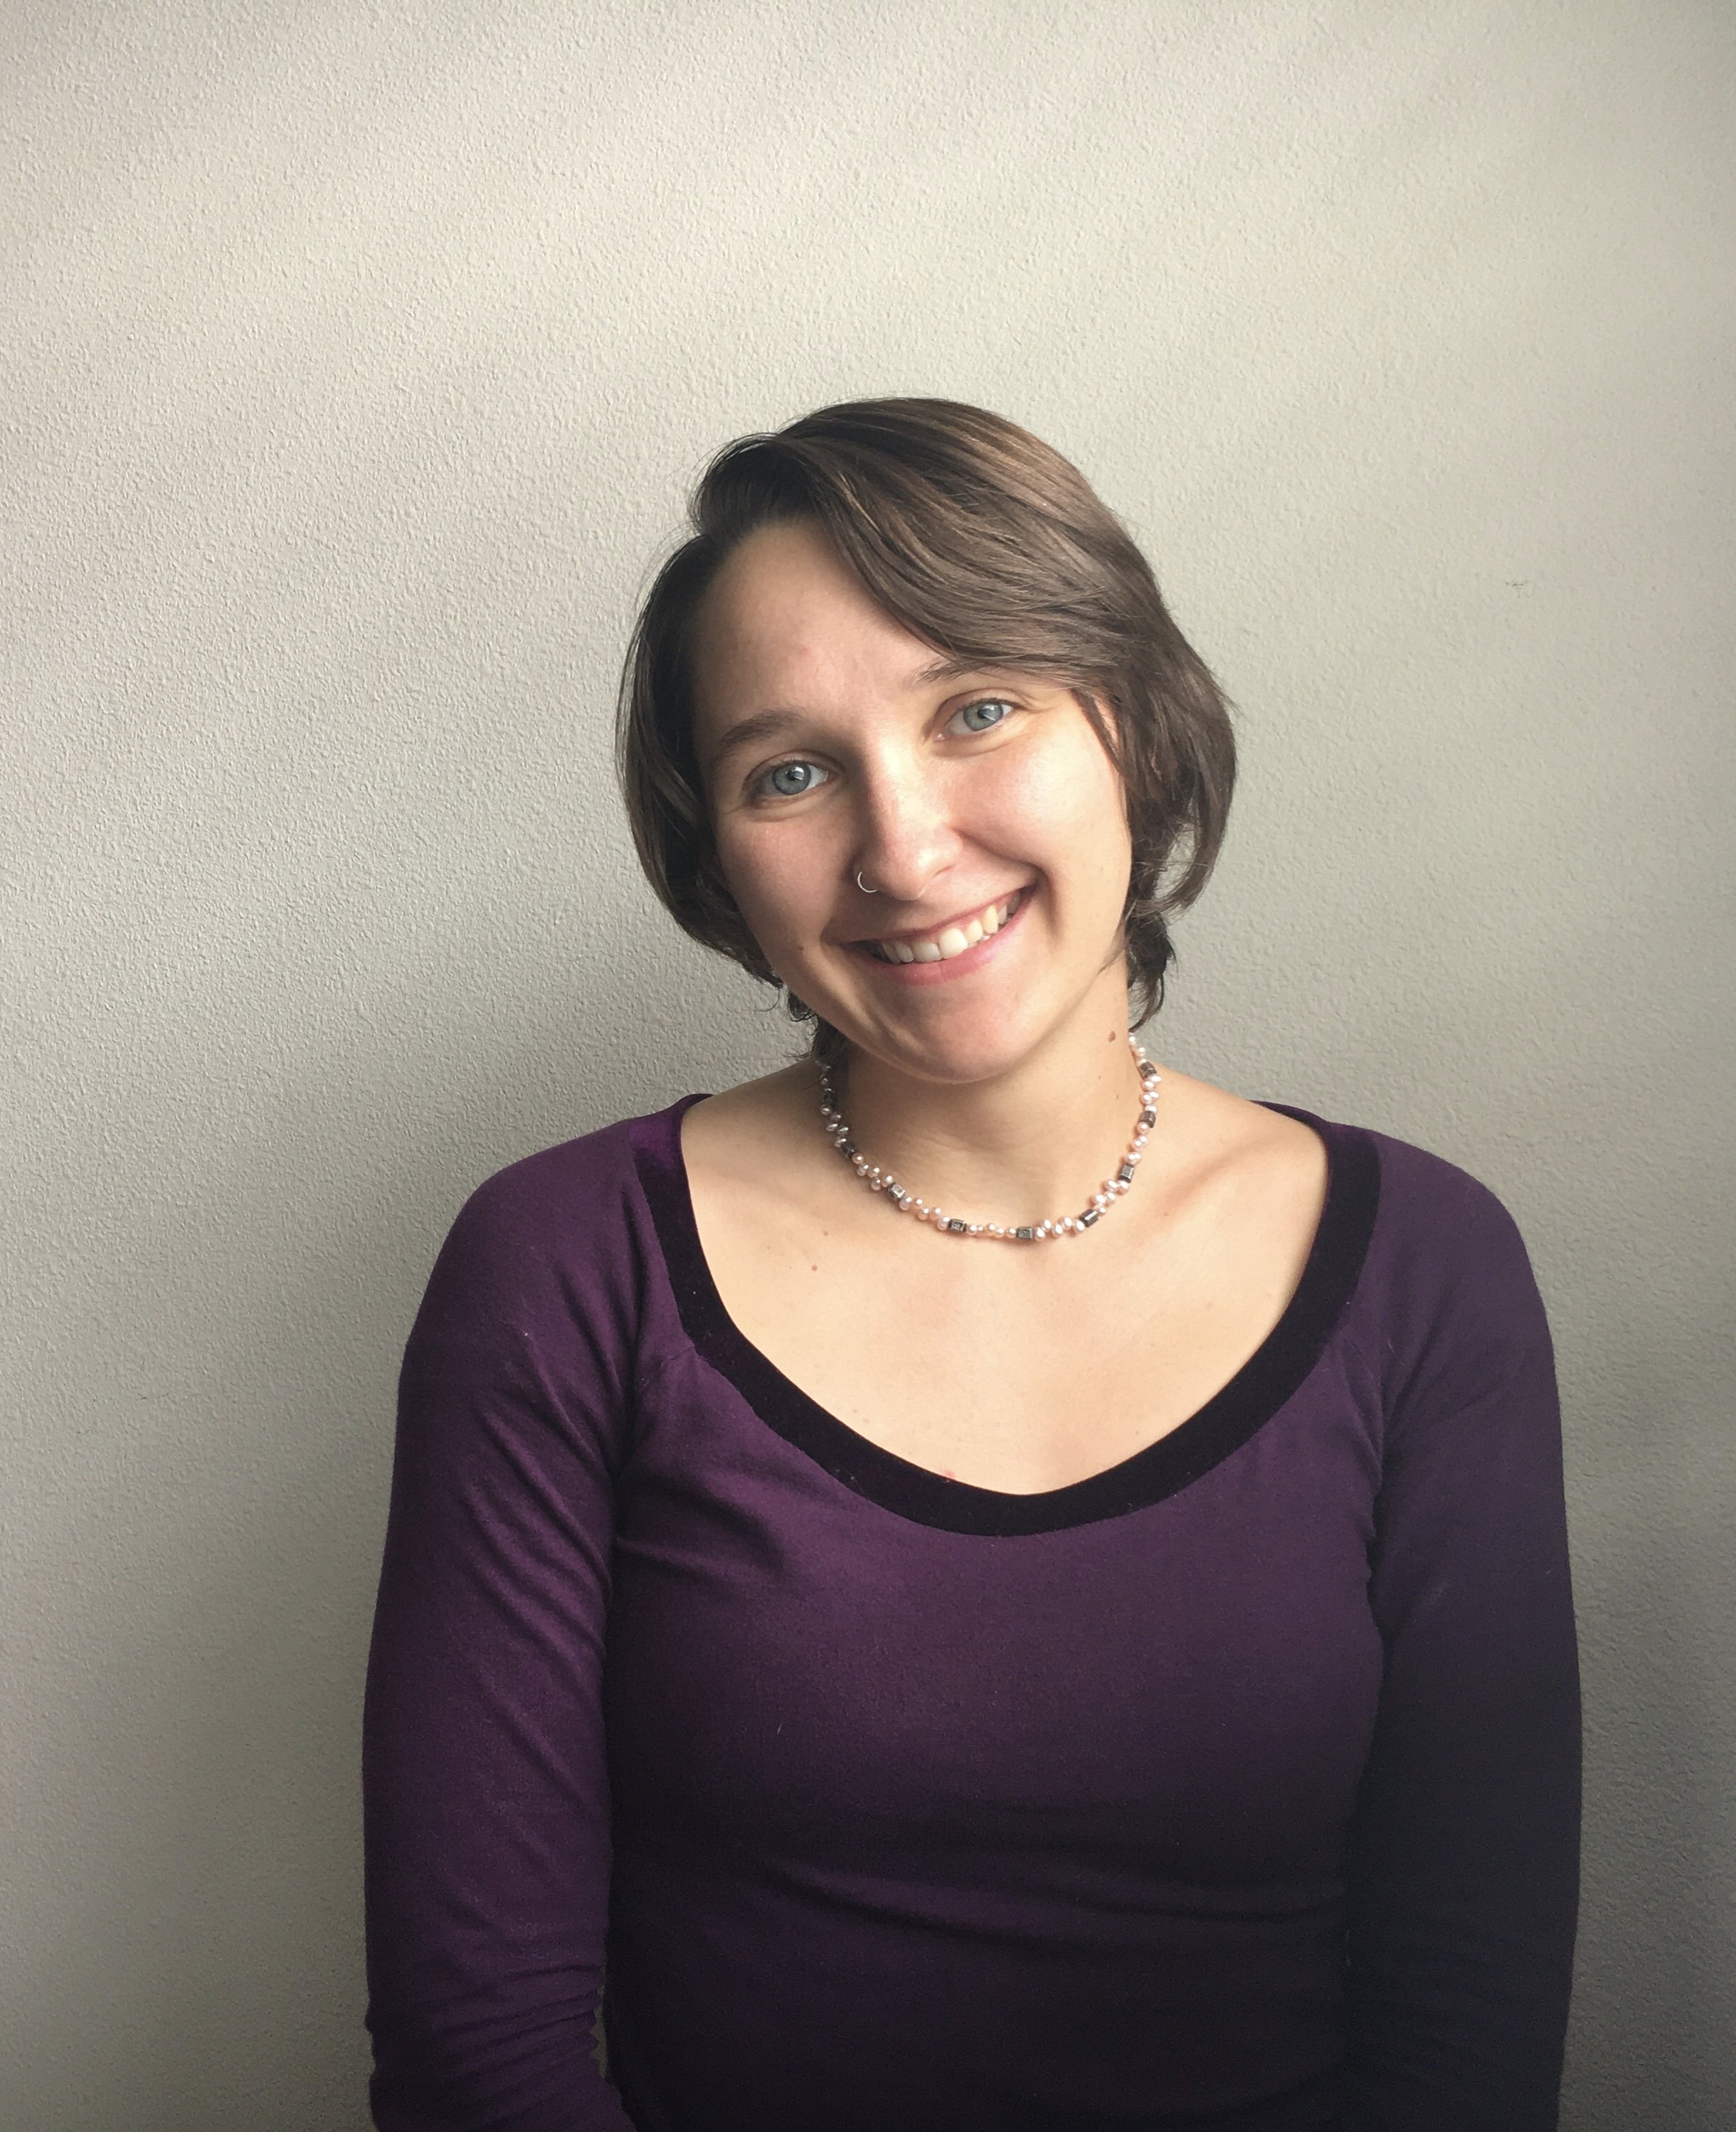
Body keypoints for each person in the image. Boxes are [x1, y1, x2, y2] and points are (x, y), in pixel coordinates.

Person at [361, 398, 1581, 2131]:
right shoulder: (567, 1266)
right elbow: (475, 2046)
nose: (903, 844)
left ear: (1129, 725)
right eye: (787, 769)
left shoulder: (1420, 1270)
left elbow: (1462, 2031)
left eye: (976, 708)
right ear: (718, 856)